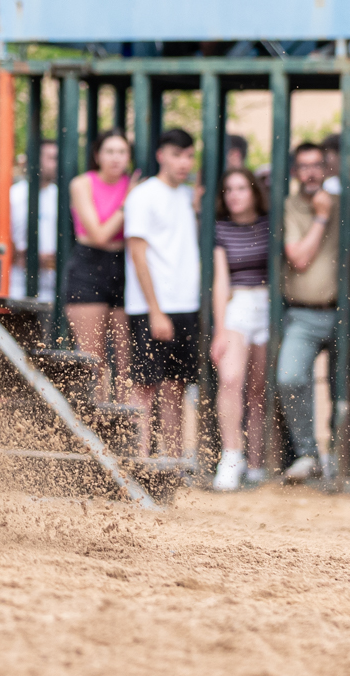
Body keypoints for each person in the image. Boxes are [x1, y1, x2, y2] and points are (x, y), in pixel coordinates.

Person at [123, 128, 200, 458]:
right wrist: (155, 309)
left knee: (176, 388)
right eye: (176, 154)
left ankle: (174, 460)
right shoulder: (143, 196)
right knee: (145, 386)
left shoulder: (186, 196)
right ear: (161, 156)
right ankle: (138, 459)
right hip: (150, 306)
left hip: (186, 303)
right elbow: (137, 252)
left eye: (188, 155)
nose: (183, 162)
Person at [277, 142, 340, 483]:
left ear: (327, 168)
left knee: (346, 387)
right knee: (289, 378)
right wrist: (321, 216)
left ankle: (344, 460)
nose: (312, 172)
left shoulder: (348, 205)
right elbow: (299, 258)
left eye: (317, 165)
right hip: (301, 313)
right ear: (295, 171)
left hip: (345, 313)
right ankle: (308, 454)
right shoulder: (288, 206)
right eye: (304, 166)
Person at [210, 169, 271, 490]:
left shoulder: (269, 224)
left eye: (241, 188)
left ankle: (257, 461)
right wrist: (219, 329)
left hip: (268, 306)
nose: (233, 195)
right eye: (228, 189)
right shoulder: (220, 229)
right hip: (237, 305)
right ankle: (231, 456)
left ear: (254, 192)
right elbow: (220, 281)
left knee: (258, 389)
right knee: (231, 379)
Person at [64, 130, 136, 403]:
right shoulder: (83, 184)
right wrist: (127, 203)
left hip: (125, 267)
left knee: (126, 360)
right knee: (94, 360)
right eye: (109, 151)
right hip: (89, 265)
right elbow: (99, 233)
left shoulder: (134, 186)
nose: (116, 158)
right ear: (97, 155)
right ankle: (93, 429)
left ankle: (125, 433)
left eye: (122, 152)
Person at [8, 140, 58, 300]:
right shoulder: (13, 195)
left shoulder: (61, 197)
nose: (56, 163)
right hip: (16, 283)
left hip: (53, 285)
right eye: (51, 158)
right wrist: (21, 255)